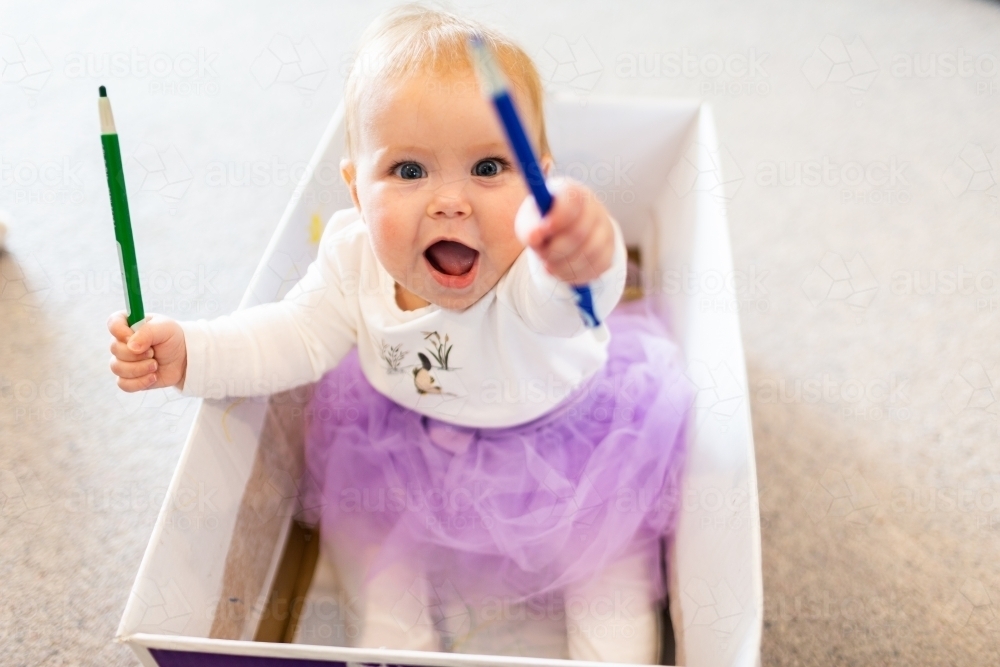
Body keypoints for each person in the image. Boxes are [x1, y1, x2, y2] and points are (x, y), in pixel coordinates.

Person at [107, 4, 690, 662]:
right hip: (408, 438)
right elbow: (292, 337)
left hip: (566, 448)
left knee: (608, 563)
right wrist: (192, 352)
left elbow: (573, 301)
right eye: (409, 171)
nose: (450, 200)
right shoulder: (352, 259)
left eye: (490, 167)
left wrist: (586, 249)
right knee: (366, 529)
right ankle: (392, 637)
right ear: (357, 191)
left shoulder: (535, 263)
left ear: (541, 180)